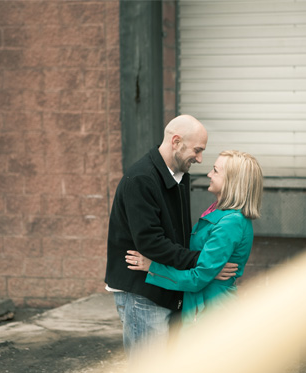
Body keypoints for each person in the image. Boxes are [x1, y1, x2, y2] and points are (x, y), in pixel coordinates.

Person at [105, 115, 236, 358]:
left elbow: (180, 235)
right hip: (142, 292)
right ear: (176, 141)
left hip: (166, 285)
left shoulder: (180, 176)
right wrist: (204, 263)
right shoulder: (142, 179)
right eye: (197, 150)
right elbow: (150, 243)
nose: (199, 159)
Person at [125, 150, 263, 328]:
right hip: (202, 308)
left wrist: (152, 268)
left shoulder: (231, 222)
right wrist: (210, 272)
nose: (208, 174)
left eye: (215, 170)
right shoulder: (217, 212)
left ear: (232, 180)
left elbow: (198, 278)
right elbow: (204, 267)